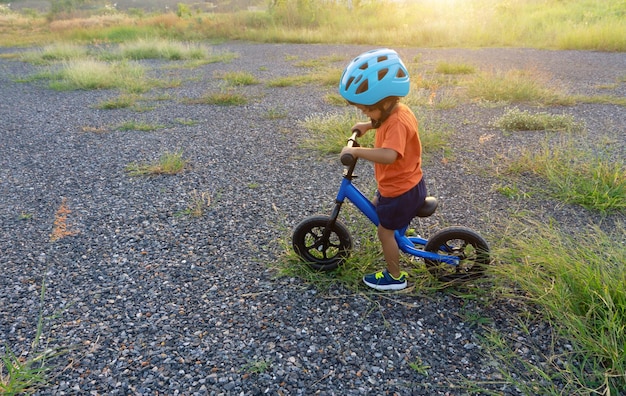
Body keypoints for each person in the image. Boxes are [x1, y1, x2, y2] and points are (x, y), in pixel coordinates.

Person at [338, 48, 427, 291]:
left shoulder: (396, 121)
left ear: (386, 102)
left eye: (367, 109)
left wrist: (356, 151)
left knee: (384, 233)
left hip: (401, 191)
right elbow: (383, 120)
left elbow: (389, 155)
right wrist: (368, 125)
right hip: (407, 183)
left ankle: (395, 277)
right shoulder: (397, 111)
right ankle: (400, 234)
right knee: (380, 205)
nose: (365, 112)